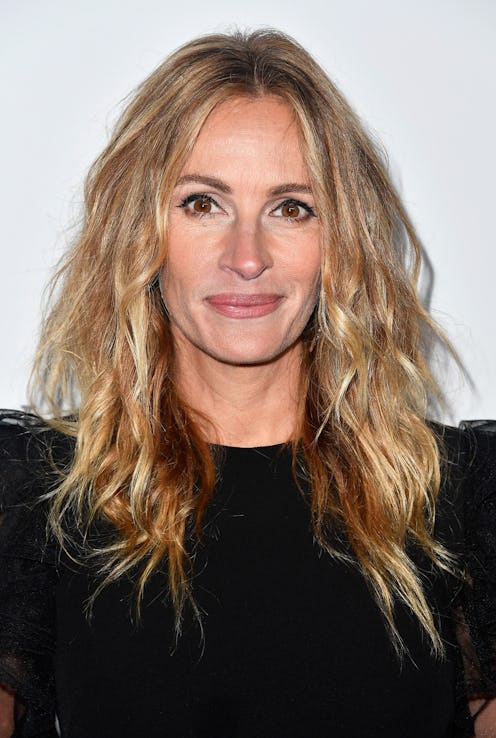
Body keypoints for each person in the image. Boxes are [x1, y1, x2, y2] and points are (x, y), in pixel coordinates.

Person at [0, 28, 495, 738]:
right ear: (141, 231)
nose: (247, 256)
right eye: (203, 203)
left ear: (342, 241)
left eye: (291, 207)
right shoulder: (35, 496)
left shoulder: (462, 501)